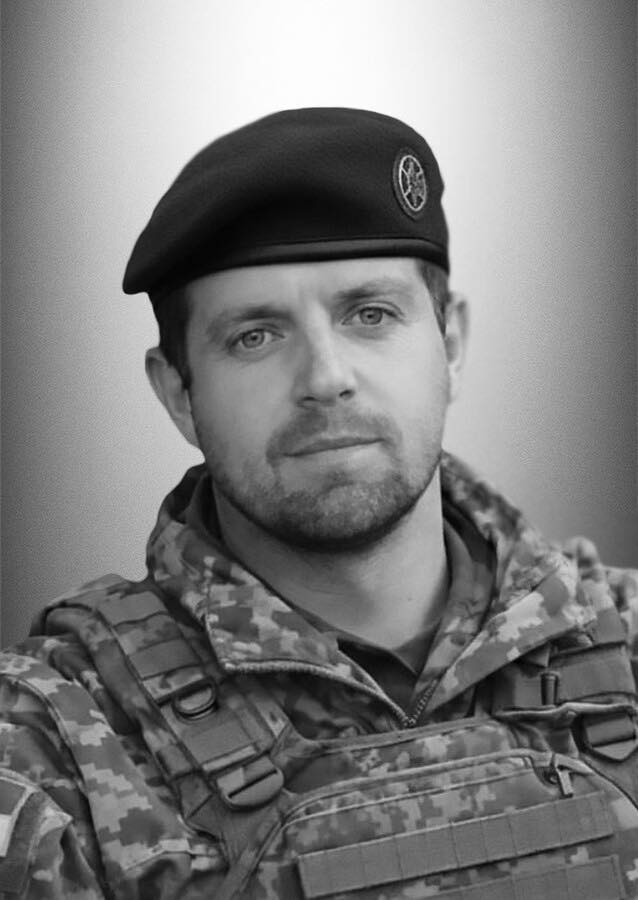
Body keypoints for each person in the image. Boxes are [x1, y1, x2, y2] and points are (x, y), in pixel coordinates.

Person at [0, 107, 637, 900]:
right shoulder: (56, 741)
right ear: (178, 394)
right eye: (256, 336)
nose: (326, 377)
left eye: (370, 315)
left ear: (450, 345)